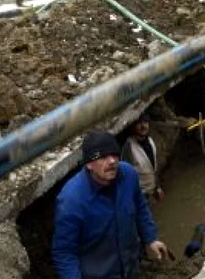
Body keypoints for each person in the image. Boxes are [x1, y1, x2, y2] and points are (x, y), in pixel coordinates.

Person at [52, 130, 168, 279]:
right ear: (89, 164)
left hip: (130, 266)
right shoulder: (71, 201)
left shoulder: (128, 174)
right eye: (103, 157)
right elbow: (64, 252)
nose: (112, 161)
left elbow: (140, 207)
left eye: (114, 154)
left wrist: (150, 238)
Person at [122, 114, 164, 202]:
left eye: (145, 122)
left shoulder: (150, 141)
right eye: (139, 123)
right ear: (133, 127)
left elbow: (153, 168)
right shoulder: (129, 147)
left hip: (151, 190)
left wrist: (157, 186)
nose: (143, 126)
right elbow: (124, 175)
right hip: (139, 196)